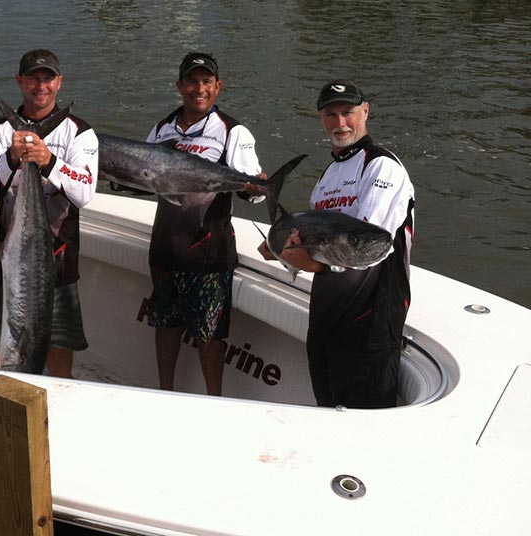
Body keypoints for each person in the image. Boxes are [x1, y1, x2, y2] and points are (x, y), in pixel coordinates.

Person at [258, 80, 415, 409]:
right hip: (326, 320)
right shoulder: (327, 177)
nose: (340, 123)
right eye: (331, 114)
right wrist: (283, 252)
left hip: (370, 324)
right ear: (321, 118)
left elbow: (370, 248)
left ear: (366, 112)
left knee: (363, 429)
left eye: (348, 113)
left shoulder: (381, 166)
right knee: (327, 413)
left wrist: (306, 261)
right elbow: (315, 247)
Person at [145, 52, 267, 394]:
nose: (199, 89)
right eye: (192, 81)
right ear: (179, 85)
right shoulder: (161, 128)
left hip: (208, 255)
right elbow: (144, 177)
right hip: (165, 249)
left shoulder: (232, 131)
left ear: (218, 87)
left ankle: (215, 400)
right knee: (164, 326)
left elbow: (252, 192)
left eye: (206, 82)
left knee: (210, 334)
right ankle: (164, 393)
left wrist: (257, 186)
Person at [0, 49, 98, 377]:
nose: (41, 86)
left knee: (60, 346)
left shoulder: (79, 133)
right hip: (8, 259)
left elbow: (84, 193)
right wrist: (11, 159)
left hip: (58, 258)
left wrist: (50, 162)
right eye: (33, 78)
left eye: (48, 78)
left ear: (59, 82)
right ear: (20, 81)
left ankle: (53, 406)